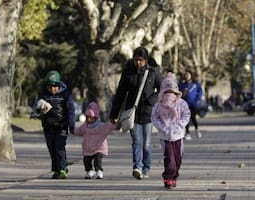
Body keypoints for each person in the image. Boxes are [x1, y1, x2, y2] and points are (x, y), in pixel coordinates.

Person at [109, 47, 162, 180]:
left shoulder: (153, 71)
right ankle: (137, 167)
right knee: (137, 142)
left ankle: (146, 168)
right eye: (136, 60)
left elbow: (162, 90)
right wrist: (114, 115)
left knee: (146, 144)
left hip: (148, 113)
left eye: (141, 60)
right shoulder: (128, 72)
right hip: (132, 113)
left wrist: (151, 100)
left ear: (146, 60)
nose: (138, 63)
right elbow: (120, 93)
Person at [32, 70, 75, 179]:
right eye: (50, 86)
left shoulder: (65, 94)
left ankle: (62, 169)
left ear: (59, 85)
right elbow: (35, 109)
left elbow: (71, 109)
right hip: (48, 126)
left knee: (59, 146)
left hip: (62, 126)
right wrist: (36, 113)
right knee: (52, 148)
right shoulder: (42, 95)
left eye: (55, 86)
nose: (52, 89)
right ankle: (57, 169)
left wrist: (71, 124)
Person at [151, 72, 190, 189]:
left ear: (176, 92)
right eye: (166, 92)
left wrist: (180, 125)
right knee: (169, 158)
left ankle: (174, 176)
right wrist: (162, 127)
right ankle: (168, 178)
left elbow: (186, 115)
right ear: (162, 92)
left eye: (171, 92)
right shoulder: (158, 105)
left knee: (178, 158)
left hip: (178, 135)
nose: (169, 95)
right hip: (165, 136)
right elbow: (154, 118)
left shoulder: (181, 103)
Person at [72, 102, 116, 179]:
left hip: (99, 148)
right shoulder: (85, 126)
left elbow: (108, 127)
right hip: (87, 149)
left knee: (97, 161)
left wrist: (112, 122)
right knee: (86, 160)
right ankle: (89, 171)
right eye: (87, 117)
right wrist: (73, 130)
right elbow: (79, 131)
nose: (88, 119)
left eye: (90, 117)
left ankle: (99, 171)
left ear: (95, 117)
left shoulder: (101, 126)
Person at [179, 70, 203, 140]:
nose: (186, 76)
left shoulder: (195, 84)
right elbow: (179, 92)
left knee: (193, 117)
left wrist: (197, 99)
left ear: (191, 75)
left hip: (193, 104)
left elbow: (200, 91)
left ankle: (197, 129)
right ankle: (187, 133)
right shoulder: (183, 84)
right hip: (185, 104)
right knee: (186, 119)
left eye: (188, 74)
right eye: (185, 74)